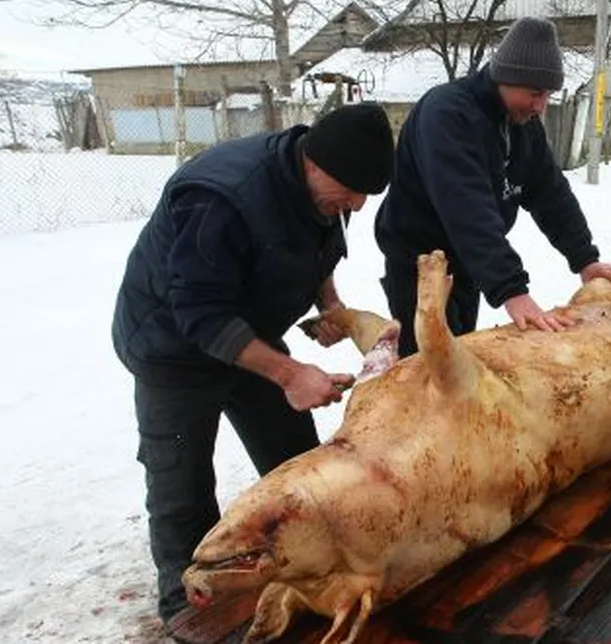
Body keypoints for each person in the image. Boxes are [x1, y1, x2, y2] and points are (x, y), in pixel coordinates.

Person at [109, 102, 396, 622]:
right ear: (314, 162)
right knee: (182, 489)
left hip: (248, 333)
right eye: (351, 190)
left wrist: (329, 304)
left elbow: (319, 248)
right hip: (172, 348)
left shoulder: (321, 186)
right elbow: (200, 314)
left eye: (364, 196)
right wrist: (290, 374)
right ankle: (190, 613)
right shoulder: (221, 197)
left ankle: (306, 568)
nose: (356, 204)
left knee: (295, 458)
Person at [374, 16, 611, 356]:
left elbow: (551, 194)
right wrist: (511, 290)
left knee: (462, 356)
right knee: (426, 365)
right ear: (504, 78)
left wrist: (585, 259)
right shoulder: (447, 114)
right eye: (535, 94)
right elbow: (466, 208)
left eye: (548, 95)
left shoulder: (523, 124)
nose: (541, 106)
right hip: (418, 264)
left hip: (467, 262)